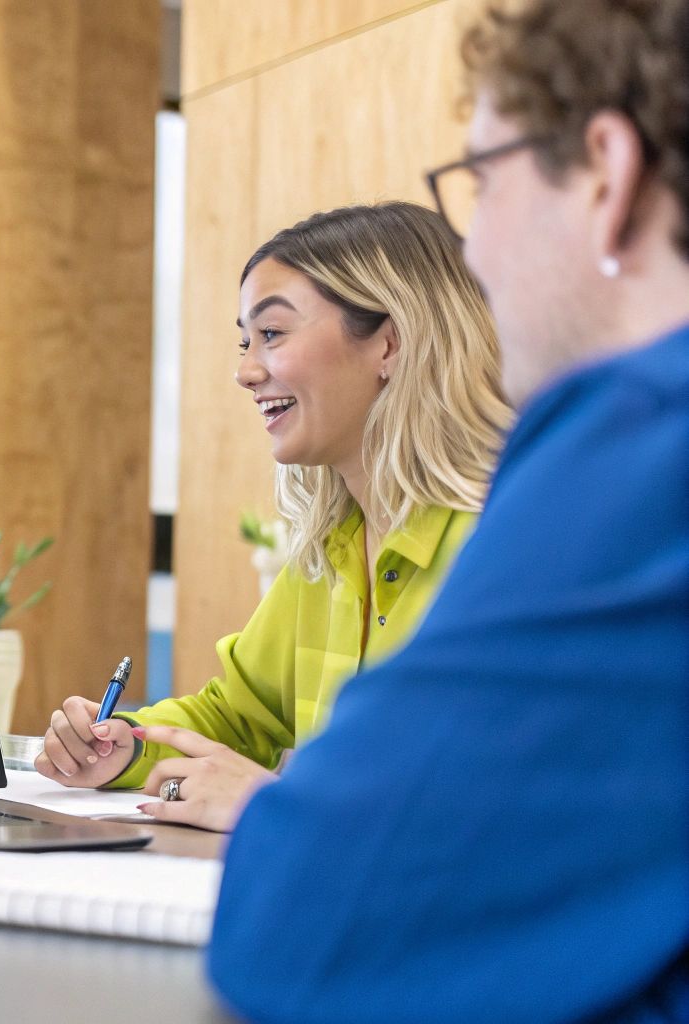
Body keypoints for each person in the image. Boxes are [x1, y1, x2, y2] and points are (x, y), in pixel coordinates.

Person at [209, 1, 689, 1020]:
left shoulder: (636, 445)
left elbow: (304, 920)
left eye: (479, 184)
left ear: (604, 174)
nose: (467, 257)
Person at [35, 202, 512, 832]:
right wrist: (123, 742)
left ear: (389, 344)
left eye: (274, 333)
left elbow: (507, 803)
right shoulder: (333, 553)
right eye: (245, 341)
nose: (245, 371)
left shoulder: (507, 548)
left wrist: (283, 807)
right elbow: (237, 714)